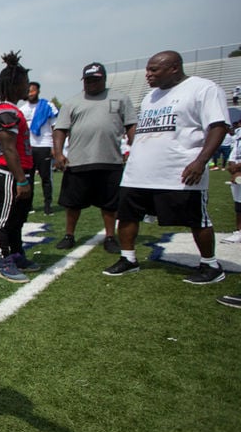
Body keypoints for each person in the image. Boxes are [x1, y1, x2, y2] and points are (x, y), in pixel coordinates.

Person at [103, 50, 230, 283]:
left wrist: (201, 161)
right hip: (139, 172)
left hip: (179, 171)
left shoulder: (203, 89)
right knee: (128, 215)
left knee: (195, 218)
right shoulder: (151, 96)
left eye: (154, 70)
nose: (148, 75)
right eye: (147, 69)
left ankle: (210, 264)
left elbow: (218, 126)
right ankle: (128, 258)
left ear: (174, 68)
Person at [52, 62, 135, 254]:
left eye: (95, 80)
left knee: (109, 204)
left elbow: (131, 124)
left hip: (110, 159)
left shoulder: (120, 99)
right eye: (87, 80)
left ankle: (109, 236)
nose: (91, 83)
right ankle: (69, 235)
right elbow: (60, 130)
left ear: (104, 79)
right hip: (79, 160)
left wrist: (135, 147)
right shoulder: (72, 102)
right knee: (72, 203)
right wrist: (58, 153)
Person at [0, 51, 37, 283]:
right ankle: (4, 259)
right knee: (3, 221)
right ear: (14, 85)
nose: (27, 87)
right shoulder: (5, 111)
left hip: (20, 172)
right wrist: (21, 179)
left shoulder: (14, 110)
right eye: (24, 83)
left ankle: (17, 254)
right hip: (9, 174)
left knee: (18, 220)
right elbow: (9, 149)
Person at [20, 81, 58, 215]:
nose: (30, 93)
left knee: (46, 178)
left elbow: (55, 127)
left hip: (44, 145)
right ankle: (28, 205)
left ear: (38, 91)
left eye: (33, 91)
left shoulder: (48, 106)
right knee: (28, 178)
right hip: (29, 148)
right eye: (28, 91)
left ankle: (48, 205)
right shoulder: (22, 109)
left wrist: (54, 147)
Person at [221, 120, 241, 244]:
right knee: (239, 203)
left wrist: (238, 168)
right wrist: (233, 168)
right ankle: (239, 231)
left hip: (239, 169)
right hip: (237, 171)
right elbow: (234, 151)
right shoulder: (238, 134)